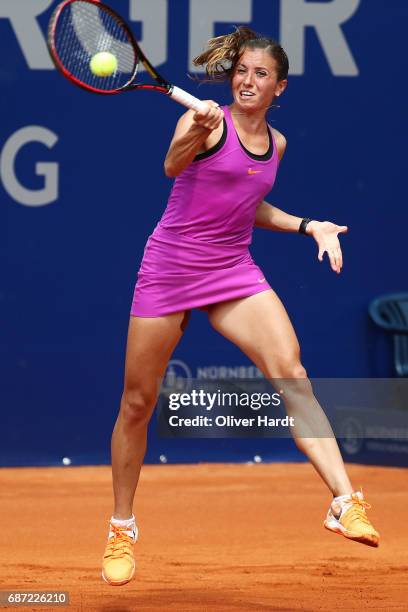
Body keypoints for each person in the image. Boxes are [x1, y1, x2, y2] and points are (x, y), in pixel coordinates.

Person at [101, 27, 379, 587]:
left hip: (231, 269)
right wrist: (196, 131)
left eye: (260, 74)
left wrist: (307, 225)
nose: (248, 81)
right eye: (242, 72)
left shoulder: (275, 145)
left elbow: (246, 201)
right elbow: (172, 168)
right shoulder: (203, 122)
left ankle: (344, 500)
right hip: (171, 267)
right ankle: (122, 526)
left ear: (279, 87)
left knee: (293, 374)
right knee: (137, 402)